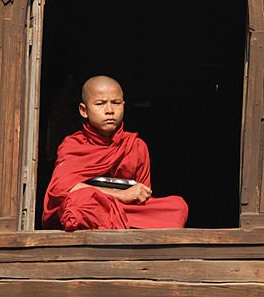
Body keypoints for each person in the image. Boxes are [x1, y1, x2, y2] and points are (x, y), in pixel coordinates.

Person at [42, 75, 189, 231]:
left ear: (124, 106)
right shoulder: (73, 145)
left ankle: (113, 223)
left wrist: (129, 198)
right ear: (84, 110)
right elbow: (62, 190)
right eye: (100, 104)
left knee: (177, 207)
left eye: (116, 103)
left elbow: (142, 195)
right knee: (78, 204)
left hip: (126, 210)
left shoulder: (135, 145)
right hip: (92, 208)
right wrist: (119, 195)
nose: (110, 110)